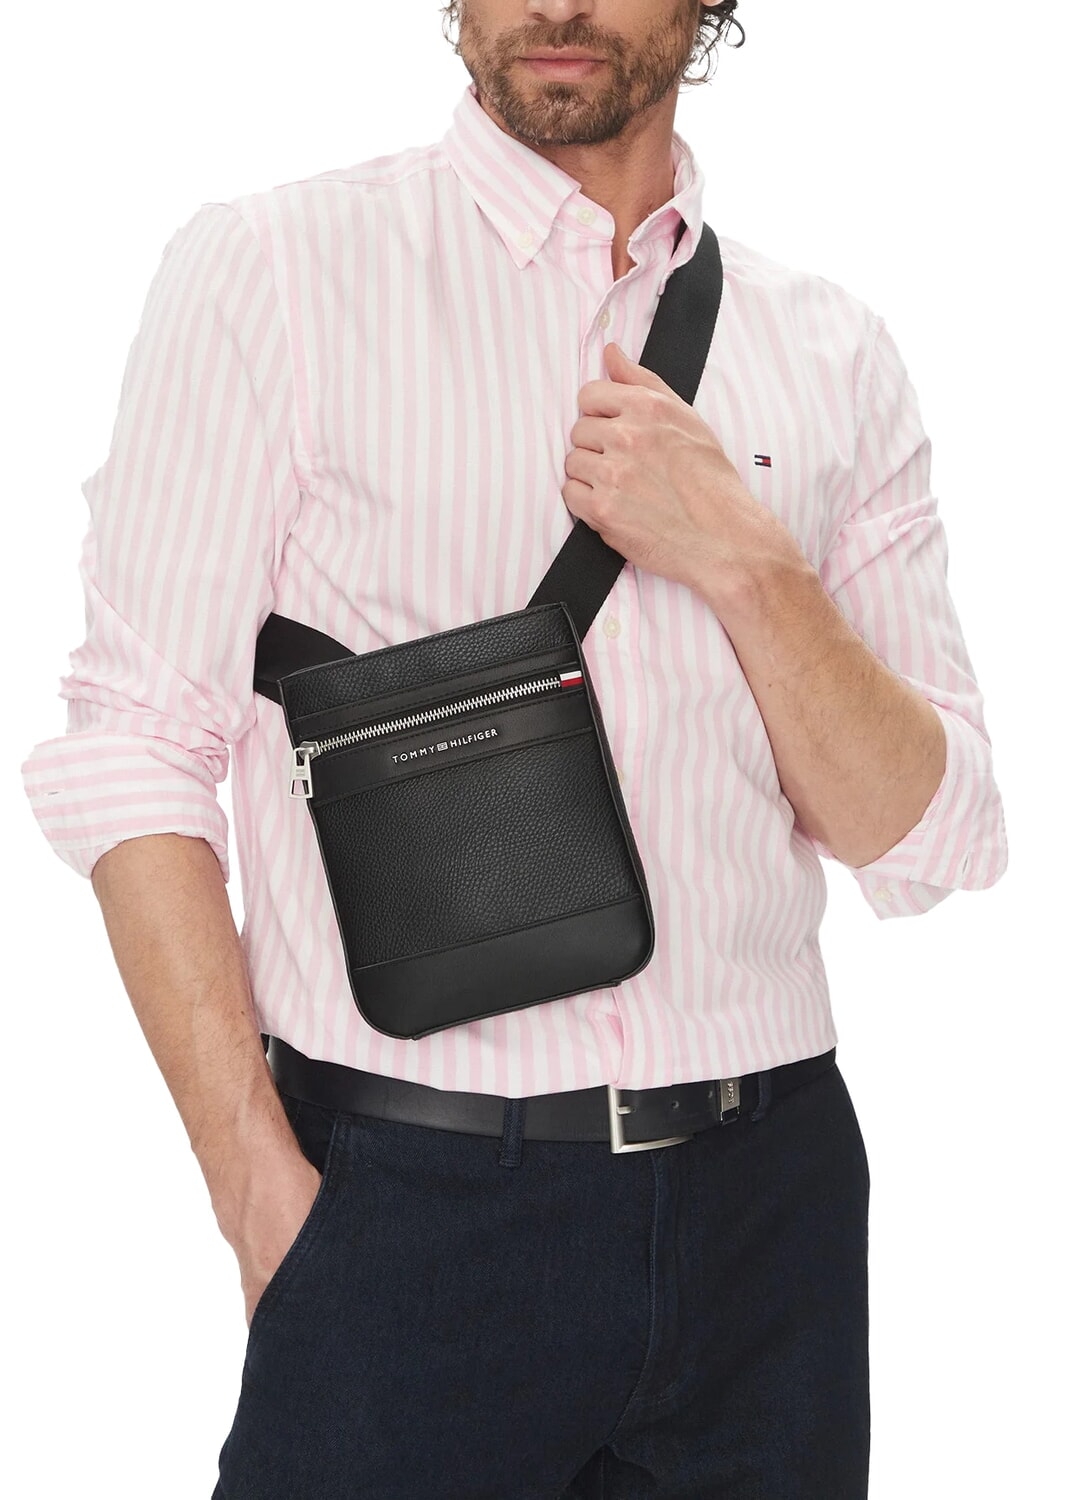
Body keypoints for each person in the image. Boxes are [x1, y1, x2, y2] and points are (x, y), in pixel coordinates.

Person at [20, 2, 1008, 1496]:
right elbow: (137, 744)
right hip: (407, 1202)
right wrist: (259, 1193)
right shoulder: (276, 271)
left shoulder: (831, 348)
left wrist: (745, 560)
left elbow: (930, 839)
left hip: (770, 1209)